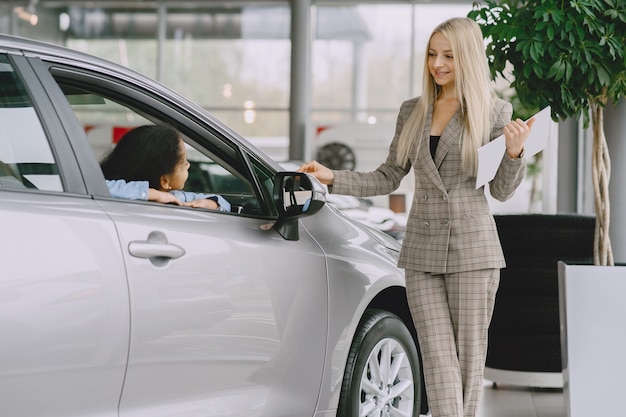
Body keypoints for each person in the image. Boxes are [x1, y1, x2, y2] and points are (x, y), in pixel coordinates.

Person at [299, 17, 535, 417]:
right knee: (438, 360)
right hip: (422, 253)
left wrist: (514, 154)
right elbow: (389, 175)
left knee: (465, 361)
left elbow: (501, 191)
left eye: (448, 56)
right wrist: (332, 177)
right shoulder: (413, 110)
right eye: (431, 54)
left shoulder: (495, 112)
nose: (437, 64)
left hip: (473, 252)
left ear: (468, 59)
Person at [101, 125, 231, 212]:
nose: (188, 165)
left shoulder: (175, 197)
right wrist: (154, 194)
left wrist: (208, 204)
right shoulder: (169, 197)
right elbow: (101, 188)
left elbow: (223, 203)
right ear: (165, 180)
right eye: (183, 162)